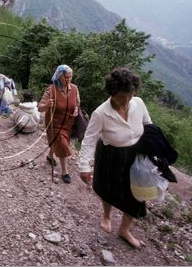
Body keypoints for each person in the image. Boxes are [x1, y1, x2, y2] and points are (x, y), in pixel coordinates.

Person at [77, 67, 152, 249]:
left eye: (130, 95)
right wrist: (84, 167)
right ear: (112, 93)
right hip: (110, 155)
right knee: (108, 188)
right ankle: (107, 215)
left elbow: (149, 125)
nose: (126, 101)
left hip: (135, 156)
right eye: (121, 97)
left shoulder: (138, 103)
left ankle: (125, 230)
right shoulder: (100, 113)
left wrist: (155, 149)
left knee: (138, 195)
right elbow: (89, 139)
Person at [38, 65, 80, 183]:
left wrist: (76, 109)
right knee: (61, 143)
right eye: (66, 77)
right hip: (54, 123)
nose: (69, 79)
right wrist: (47, 105)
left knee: (56, 143)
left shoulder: (75, 89)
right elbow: (40, 108)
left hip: (68, 123)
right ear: (60, 76)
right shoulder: (51, 90)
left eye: (71, 77)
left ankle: (50, 156)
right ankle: (65, 172)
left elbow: (76, 103)